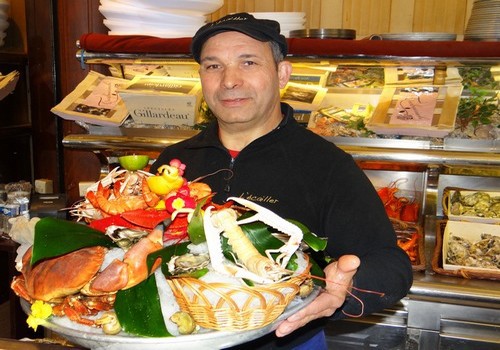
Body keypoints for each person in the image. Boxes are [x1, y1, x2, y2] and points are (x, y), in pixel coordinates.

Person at [151, 12, 413, 349]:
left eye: (248, 63)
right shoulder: (173, 162)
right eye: (213, 66)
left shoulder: (327, 165)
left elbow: (392, 264)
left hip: (286, 339)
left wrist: (345, 289)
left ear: (282, 74)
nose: (229, 80)